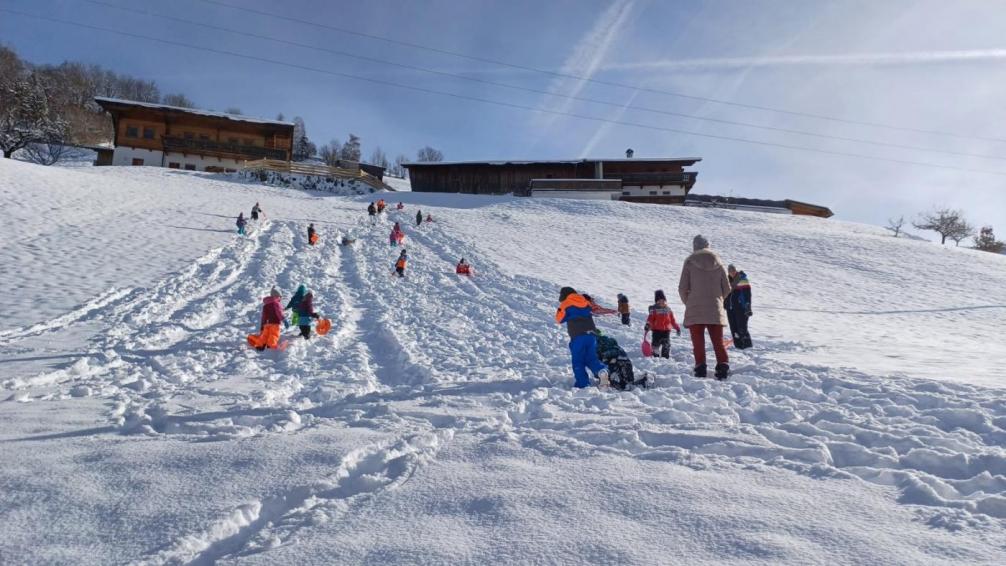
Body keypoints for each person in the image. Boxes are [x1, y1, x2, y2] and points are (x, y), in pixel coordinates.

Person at [678, 235, 731, 379]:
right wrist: (717, 300)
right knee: (718, 341)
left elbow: (682, 288)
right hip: (715, 308)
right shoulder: (719, 263)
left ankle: (700, 367)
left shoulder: (689, 262)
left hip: (695, 308)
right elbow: (727, 288)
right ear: (708, 245)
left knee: (698, 342)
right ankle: (723, 366)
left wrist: (689, 302)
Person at [555, 286, 610, 389]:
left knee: (578, 360)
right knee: (592, 358)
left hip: (578, 335)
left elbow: (559, 319)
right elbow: (594, 310)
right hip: (592, 335)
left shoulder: (565, 304)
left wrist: (560, 309)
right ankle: (602, 371)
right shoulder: (585, 301)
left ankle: (583, 384)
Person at [645, 290, 681, 359]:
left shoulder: (668, 309)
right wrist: (648, 325)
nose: (661, 302)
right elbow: (650, 319)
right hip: (656, 331)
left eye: (663, 300)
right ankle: (655, 356)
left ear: (665, 300)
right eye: (659, 300)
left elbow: (672, 321)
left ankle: (665, 357)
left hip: (666, 331)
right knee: (655, 344)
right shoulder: (654, 310)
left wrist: (677, 328)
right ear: (656, 301)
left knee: (666, 344)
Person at [726, 264, 753, 349]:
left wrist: (748, 306)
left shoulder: (742, 279)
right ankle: (738, 346)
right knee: (733, 328)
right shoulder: (727, 281)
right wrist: (725, 303)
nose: (732, 273)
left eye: (733, 271)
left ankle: (747, 345)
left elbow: (747, 294)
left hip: (741, 308)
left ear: (735, 270)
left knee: (742, 327)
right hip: (730, 308)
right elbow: (725, 294)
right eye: (730, 271)